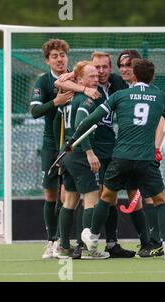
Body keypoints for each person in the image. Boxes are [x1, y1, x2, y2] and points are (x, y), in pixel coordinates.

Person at [69, 58, 165, 260]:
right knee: (159, 200)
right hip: (146, 159)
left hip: (121, 157)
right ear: (152, 77)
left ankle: (92, 236)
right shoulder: (160, 95)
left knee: (107, 197)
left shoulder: (120, 95)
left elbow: (90, 120)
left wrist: (74, 139)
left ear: (134, 76)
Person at [29, 39, 99, 259]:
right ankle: (52, 241)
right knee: (51, 194)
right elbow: (35, 111)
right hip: (52, 143)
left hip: (70, 144)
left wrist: (82, 87)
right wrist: (56, 102)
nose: (59, 60)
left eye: (62, 55)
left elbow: (72, 82)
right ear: (47, 60)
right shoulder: (43, 81)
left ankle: (68, 242)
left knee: (69, 194)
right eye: (54, 56)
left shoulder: (74, 76)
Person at [54, 61, 109, 259]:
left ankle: (63, 246)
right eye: (92, 76)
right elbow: (80, 125)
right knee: (91, 200)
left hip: (67, 152)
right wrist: (89, 152)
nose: (97, 79)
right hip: (79, 154)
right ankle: (88, 249)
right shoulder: (86, 99)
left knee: (70, 200)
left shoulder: (72, 97)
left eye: (97, 75)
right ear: (79, 80)